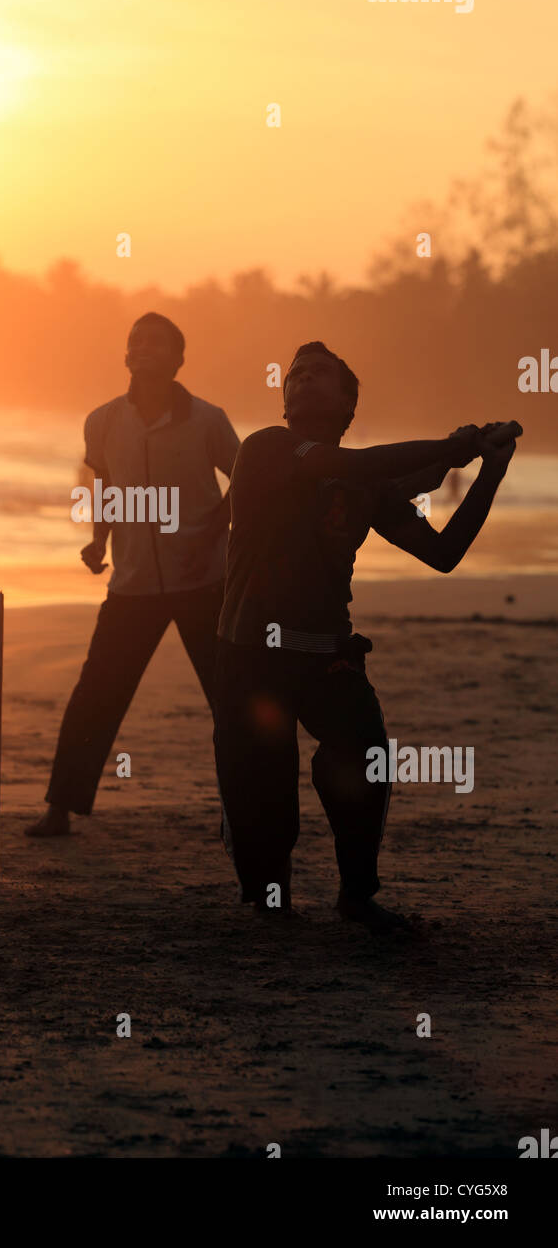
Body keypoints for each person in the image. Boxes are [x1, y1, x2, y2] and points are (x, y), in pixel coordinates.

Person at [213, 340, 518, 932]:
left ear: (348, 404)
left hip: (328, 655)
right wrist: (456, 450)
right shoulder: (264, 450)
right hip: (253, 657)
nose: (299, 379)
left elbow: (444, 553)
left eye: (317, 375)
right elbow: (358, 465)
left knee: (364, 761)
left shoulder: (363, 487)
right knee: (264, 802)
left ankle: (356, 893)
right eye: (295, 374)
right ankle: (268, 893)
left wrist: (491, 471)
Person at [26, 312, 240, 837]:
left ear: (178, 359)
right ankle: (60, 808)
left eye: (156, 342)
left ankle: (244, 811)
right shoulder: (101, 421)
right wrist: (99, 540)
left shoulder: (208, 420)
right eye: (135, 341)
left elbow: (247, 482)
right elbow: (108, 488)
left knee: (231, 699)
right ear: (125, 356)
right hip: (133, 583)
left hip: (203, 582)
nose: (143, 348)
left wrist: (215, 528)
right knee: (97, 692)